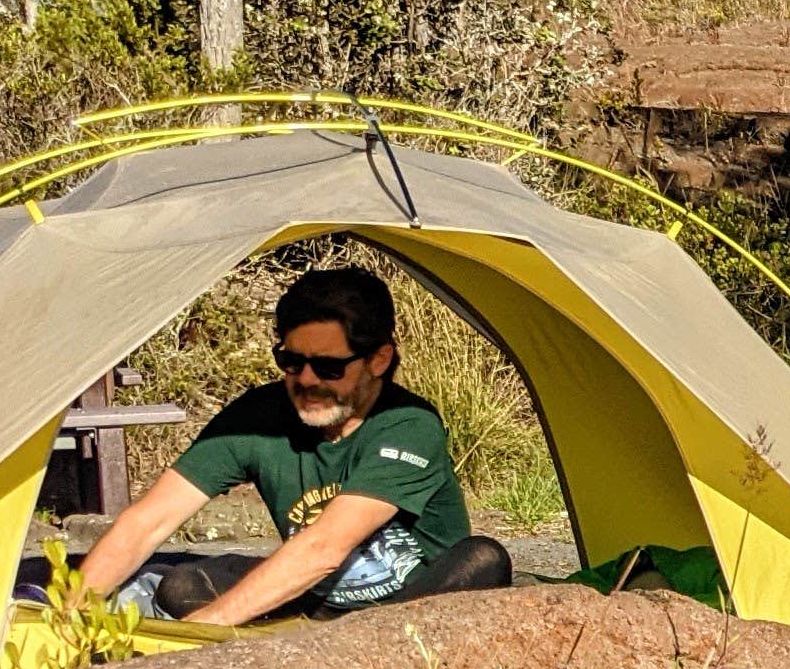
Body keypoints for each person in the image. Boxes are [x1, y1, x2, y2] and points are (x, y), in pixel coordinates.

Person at [67, 267, 505, 624]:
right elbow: (147, 521)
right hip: (313, 598)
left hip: (410, 603)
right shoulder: (258, 415)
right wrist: (68, 614)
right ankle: (309, 635)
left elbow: (325, 548)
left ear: (379, 360)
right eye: (291, 362)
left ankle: (354, 646)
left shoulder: (409, 425)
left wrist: (203, 633)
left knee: (484, 560)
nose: (307, 380)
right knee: (181, 585)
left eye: (329, 367)